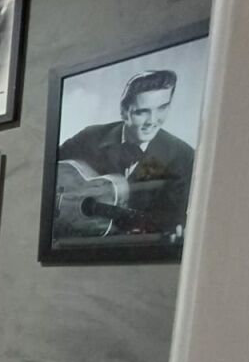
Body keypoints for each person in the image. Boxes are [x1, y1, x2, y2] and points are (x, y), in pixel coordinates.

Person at [57, 70, 195, 238]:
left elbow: (176, 218)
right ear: (123, 112)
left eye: (162, 108)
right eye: (142, 112)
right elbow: (45, 173)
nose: (152, 121)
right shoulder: (90, 137)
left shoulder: (183, 157)